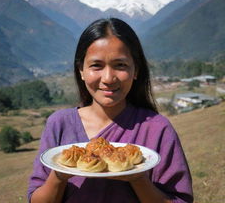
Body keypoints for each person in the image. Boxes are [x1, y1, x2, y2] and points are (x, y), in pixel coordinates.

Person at [28, 18, 193, 203]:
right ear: (81, 70)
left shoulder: (157, 129)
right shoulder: (59, 124)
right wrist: (58, 176)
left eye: (120, 65)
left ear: (135, 70)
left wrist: (138, 179)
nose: (108, 78)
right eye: (96, 65)